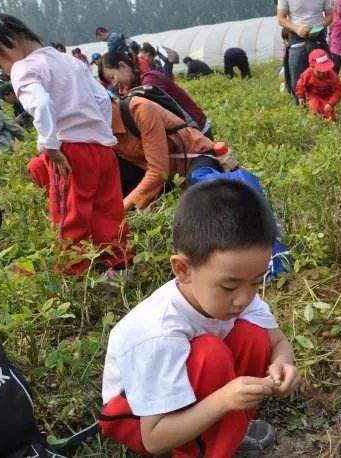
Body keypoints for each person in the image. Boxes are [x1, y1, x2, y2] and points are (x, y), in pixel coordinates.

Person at [99, 179, 300, 456]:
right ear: (183, 270)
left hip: (191, 393)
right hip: (138, 415)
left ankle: (226, 434)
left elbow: (278, 342)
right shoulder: (157, 332)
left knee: (252, 336)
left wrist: (282, 364)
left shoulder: (239, 297)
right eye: (229, 286)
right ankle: (205, 447)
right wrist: (222, 402)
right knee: (210, 353)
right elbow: (154, 440)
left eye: (256, 281)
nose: (244, 298)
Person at [0, 14, 130, 274]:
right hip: (102, 148)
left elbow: (42, 103)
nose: (4, 70)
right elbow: (102, 99)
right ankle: (119, 266)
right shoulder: (69, 61)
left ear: (8, 43)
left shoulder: (25, 68)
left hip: (70, 150)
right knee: (109, 209)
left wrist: (50, 146)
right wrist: (101, 133)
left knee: (70, 216)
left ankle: (75, 273)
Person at [111, 96, 216, 210]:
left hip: (194, 156)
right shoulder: (103, 133)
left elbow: (158, 171)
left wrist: (119, 210)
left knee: (201, 200)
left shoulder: (140, 109)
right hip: (168, 176)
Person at [100, 51, 212, 139]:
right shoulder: (132, 88)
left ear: (122, 66)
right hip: (185, 133)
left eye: (112, 77)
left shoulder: (150, 80)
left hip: (198, 130)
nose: (114, 84)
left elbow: (150, 109)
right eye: (110, 82)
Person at [277, 0, 333, 101]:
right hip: (296, 40)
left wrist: (319, 26)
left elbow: (330, 16)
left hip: (318, 38)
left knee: (322, 78)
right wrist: (297, 28)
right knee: (297, 81)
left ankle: (323, 108)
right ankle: (300, 107)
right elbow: (281, 18)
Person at [295, 49, 341, 122]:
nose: (322, 73)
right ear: (312, 67)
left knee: (329, 115)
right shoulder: (307, 74)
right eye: (319, 71)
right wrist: (300, 96)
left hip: (328, 96)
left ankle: (328, 123)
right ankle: (315, 123)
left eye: (325, 70)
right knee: (315, 108)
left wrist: (331, 103)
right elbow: (300, 85)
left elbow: (338, 91)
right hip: (314, 94)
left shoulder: (332, 75)